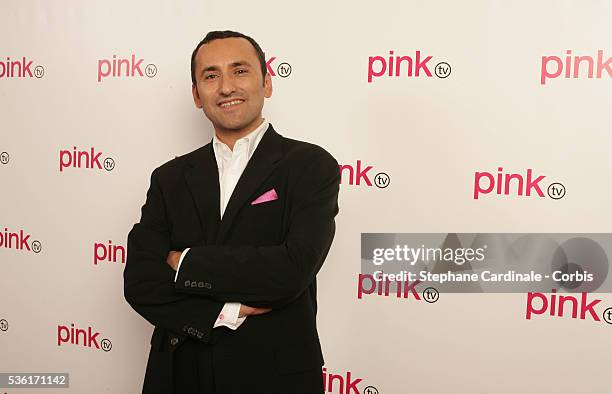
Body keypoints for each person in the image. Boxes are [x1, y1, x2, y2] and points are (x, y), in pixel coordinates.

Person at [123, 30, 340, 394]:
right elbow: (141, 282)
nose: (226, 87)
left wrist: (185, 262)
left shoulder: (310, 165)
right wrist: (225, 311)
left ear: (267, 82)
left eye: (240, 71)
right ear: (196, 95)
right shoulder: (169, 178)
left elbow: (291, 270)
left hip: (274, 376)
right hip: (179, 373)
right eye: (211, 75)